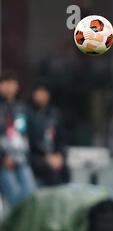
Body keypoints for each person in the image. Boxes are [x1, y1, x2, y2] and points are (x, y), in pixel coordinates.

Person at [0, 71, 37, 207]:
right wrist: (3, 157)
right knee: (15, 199)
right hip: (4, 163)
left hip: (22, 159)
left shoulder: (22, 108)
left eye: (12, 83)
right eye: (5, 82)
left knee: (31, 196)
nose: (9, 86)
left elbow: (27, 134)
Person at [27, 83, 70, 186]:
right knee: (49, 170)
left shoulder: (54, 113)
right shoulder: (28, 114)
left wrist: (60, 155)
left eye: (44, 92)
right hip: (36, 156)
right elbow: (29, 140)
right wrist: (46, 157)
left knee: (65, 169)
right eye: (39, 92)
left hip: (54, 154)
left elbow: (62, 138)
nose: (42, 95)